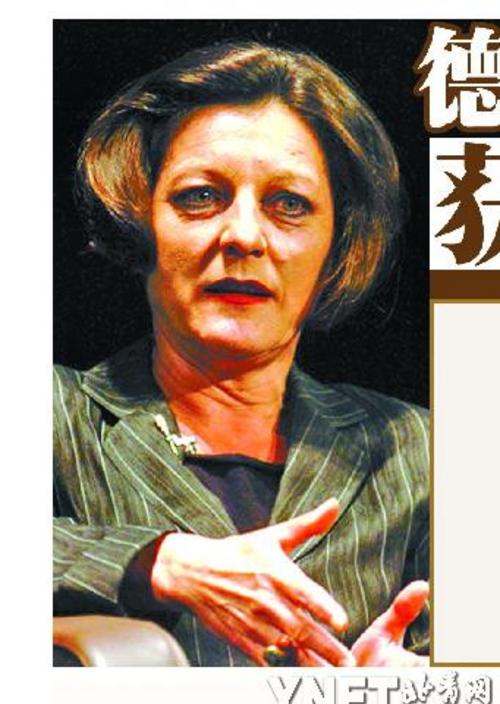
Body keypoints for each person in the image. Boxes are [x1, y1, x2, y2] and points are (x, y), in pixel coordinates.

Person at [53, 41, 429, 667]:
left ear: (336, 246)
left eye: (290, 205)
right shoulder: (49, 411)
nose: (245, 236)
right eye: (201, 196)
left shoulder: (417, 450)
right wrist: (159, 562)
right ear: (140, 222)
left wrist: (421, 687)